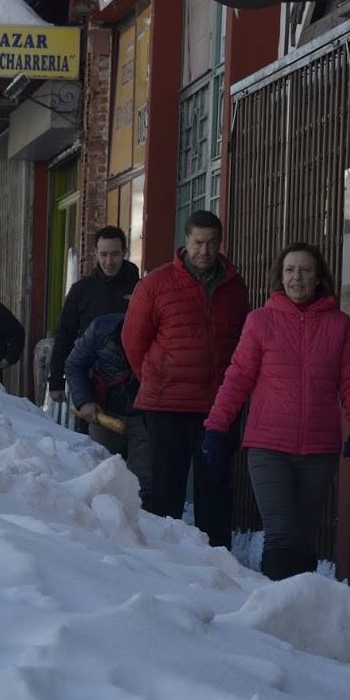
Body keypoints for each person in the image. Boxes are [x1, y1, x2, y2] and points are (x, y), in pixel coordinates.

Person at [201, 242, 350, 580]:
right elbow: (238, 378)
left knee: (305, 537)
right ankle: (274, 613)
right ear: (280, 278)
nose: (297, 277)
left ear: (318, 277)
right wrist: (216, 427)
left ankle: (303, 613)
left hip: (319, 449)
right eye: (290, 270)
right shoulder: (260, 321)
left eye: (305, 270)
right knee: (281, 532)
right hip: (268, 447)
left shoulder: (339, 326)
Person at [121, 210, 248, 548]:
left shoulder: (234, 285)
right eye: (197, 243)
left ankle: (218, 567)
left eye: (211, 243)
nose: (204, 251)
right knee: (166, 490)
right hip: (167, 405)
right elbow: (133, 340)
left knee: (216, 490)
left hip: (217, 408)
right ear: (185, 242)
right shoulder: (155, 284)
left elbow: (242, 341)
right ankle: (166, 564)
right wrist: (153, 378)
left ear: (220, 243)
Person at [48, 226, 140, 405]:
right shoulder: (81, 291)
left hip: (132, 382)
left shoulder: (141, 289)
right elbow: (64, 336)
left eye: (114, 254)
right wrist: (56, 381)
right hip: (89, 382)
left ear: (125, 252)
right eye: (103, 254)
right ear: (95, 253)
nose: (109, 261)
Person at [64, 313, 137, 458]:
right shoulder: (101, 328)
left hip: (146, 419)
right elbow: (75, 364)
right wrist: (84, 401)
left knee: (143, 477)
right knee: (101, 470)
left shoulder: (162, 332)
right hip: (105, 413)